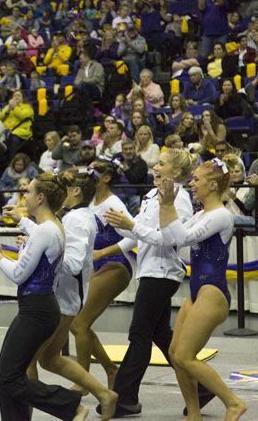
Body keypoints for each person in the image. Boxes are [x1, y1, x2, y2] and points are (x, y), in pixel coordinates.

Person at [106, 157, 247, 420]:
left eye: (197, 180)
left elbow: (181, 239)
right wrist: (130, 223)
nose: (192, 184)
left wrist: (168, 205)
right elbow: (166, 238)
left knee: (184, 355)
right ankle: (193, 411)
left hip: (212, 292)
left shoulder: (220, 216)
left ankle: (233, 402)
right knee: (174, 352)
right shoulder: (201, 214)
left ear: (213, 185)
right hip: (196, 292)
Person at [96, 149, 211, 417]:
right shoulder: (151, 196)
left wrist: (131, 225)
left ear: (176, 173)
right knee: (161, 337)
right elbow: (137, 234)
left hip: (162, 273)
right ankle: (204, 388)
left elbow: (167, 238)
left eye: (161, 163)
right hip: (150, 271)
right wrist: (118, 225)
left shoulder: (178, 200)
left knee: (139, 335)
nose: (155, 167)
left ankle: (124, 398)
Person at [0, 173, 89, 421]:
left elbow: (18, 274)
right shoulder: (53, 227)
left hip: (37, 311)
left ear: (40, 197)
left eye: (28, 192)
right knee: (8, 374)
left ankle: (71, 406)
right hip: (38, 308)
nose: (23, 196)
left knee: (9, 377)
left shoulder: (46, 230)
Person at [70, 160, 130, 394]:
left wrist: (102, 252)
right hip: (95, 267)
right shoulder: (91, 201)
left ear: (106, 177)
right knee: (77, 326)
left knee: (79, 324)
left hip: (115, 265)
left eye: (96, 169)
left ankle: (83, 382)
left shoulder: (113, 204)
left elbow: (133, 236)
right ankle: (110, 369)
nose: (90, 172)